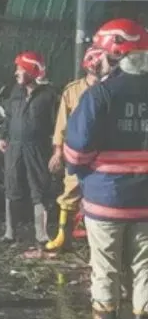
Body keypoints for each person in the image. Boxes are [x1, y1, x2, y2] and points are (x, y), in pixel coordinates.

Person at [65, 18, 148, 319]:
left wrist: (86, 171)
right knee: (145, 272)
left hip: (107, 201)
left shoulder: (99, 94)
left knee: (106, 271)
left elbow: (75, 152)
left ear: (115, 53)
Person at [44, 46, 106, 253]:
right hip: (77, 153)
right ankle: (64, 236)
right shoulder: (72, 91)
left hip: (103, 154)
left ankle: (96, 240)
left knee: (100, 196)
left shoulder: (112, 89)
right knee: (70, 191)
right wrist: (58, 152)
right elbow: (61, 124)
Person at [0, 51, 59, 247]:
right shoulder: (16, 91)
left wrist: (57, 149)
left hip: (37, 148)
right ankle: (9, 233)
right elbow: (8, 116)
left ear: (32, 71)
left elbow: (58, 124)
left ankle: (42, 235)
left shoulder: (49, 95)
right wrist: (2, 136)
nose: (16, 73)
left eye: (20, 69)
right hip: (14, 146)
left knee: (39, 188)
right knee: (12, 187)